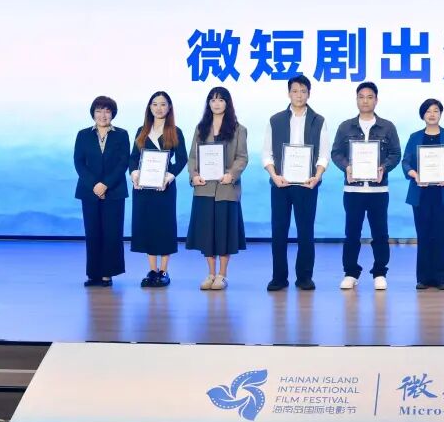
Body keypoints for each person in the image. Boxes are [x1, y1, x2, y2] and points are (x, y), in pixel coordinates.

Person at [330, 81, 401, 290]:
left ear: (376, 100)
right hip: (353, 190)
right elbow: (336, 153)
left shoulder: (387, 127)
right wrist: (347, 167)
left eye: (370, 97)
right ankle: (351, 273)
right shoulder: (345, 126)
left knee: (380, 233)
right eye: (361, 97)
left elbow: (395, 153)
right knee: (352, 233)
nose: (365, 101)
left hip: (378, 190)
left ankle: (379, 272)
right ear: (356, 100)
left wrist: (383, 168)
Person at [262, 74, 330, 291]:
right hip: (280, 183)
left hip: (307, 184)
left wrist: (317, 176)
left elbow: (323, 154)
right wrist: (274, 175)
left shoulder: (318, 120)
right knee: (279, 231)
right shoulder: (275, 120)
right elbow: (267, 154)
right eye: (295, 91)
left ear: (309, 94)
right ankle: (279, 278)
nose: (299, 95)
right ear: (288, 93)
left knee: (305, 231)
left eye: (303, 91)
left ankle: (304, 277)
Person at [186, 86, 248, 291]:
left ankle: (222, 274)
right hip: (204, 188)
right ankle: (210, 273)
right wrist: (194, 175)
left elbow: (242, 157)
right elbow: (193, 157)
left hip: (226, 188)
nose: (216, 104)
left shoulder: (238, 129)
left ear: (227, 103)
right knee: (207, 234)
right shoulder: (200, 128)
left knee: (224, 233)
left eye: (221, 100)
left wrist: (232, 174)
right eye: (212, 100)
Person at [402, 98, 444, 290]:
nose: (432, 114)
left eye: (436, 110)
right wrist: (415, 174)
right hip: (420, 194)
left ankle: (440, 278)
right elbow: (406, 162)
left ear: (440, 114)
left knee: (440, 234)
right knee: (423, 235)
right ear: (423, 115)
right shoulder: (414, 137)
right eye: (428, 111)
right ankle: (423, 278)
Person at [128, 91, 187, 288]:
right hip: (143, 187)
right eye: (155, 104)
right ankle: (152, 270)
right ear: (149, 107)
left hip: (164, 187)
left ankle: (164, 271)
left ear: (169, 108)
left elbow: (182, 159)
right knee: (147, 226)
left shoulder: (175, 131)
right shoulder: (142, 130)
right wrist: (134, 174)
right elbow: (133, 158)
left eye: (163, 104)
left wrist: (168, 177)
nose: (159, 108)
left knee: (164, 227)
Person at [73, 95, 129, 287]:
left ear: (113, 114)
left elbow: (123, 163)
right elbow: (79, 163)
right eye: (99, 111)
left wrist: (105, 184)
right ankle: (93, 274)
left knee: (112, 233)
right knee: (93, 233)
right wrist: (95, 185)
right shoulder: (83, 134)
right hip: (89, 191)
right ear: (93, 113)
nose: (103, 115)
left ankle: (107, 274)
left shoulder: (121, 134)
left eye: (107, 111)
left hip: (114, 191)